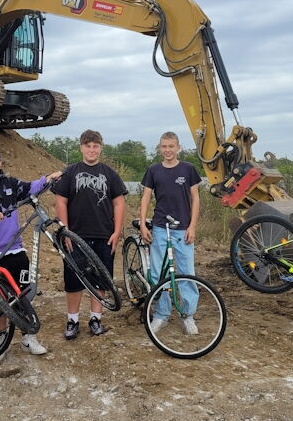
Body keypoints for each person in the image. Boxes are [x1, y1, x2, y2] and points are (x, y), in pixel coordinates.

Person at [0, 145, 62, 356]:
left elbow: (30, 187)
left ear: (0, 163)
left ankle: (28, 336)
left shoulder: (10, 183)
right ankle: (0, 339)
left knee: (24, 292)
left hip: (14, 248)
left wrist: (48, 178)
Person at [53, 129, 127, 339]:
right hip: (76, 236)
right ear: (81, 148)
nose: (92, 150)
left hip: (104, 234)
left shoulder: (110, 174)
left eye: (95, 146)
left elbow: (119, 202)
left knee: (101, 279)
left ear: (100, 148)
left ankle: (96, 319)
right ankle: (72, 320)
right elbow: (61, 201)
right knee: (74, 280)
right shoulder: (71, 172)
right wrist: (65, 231)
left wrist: (117, 231)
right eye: (88, 146)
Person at [139, 131, 202, 334]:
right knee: (160, 273)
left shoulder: (188, 169)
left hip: (183, 229)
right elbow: (146, 198)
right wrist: (142, 224)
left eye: (171, 146)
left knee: (186, 273)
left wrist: (192, 226)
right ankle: (161, 315)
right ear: (160, 148)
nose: (167, 150)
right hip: (160, 227)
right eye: (164, 147)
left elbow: (195, 199)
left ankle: (188, 315)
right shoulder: (153, 171)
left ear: (178, 148)